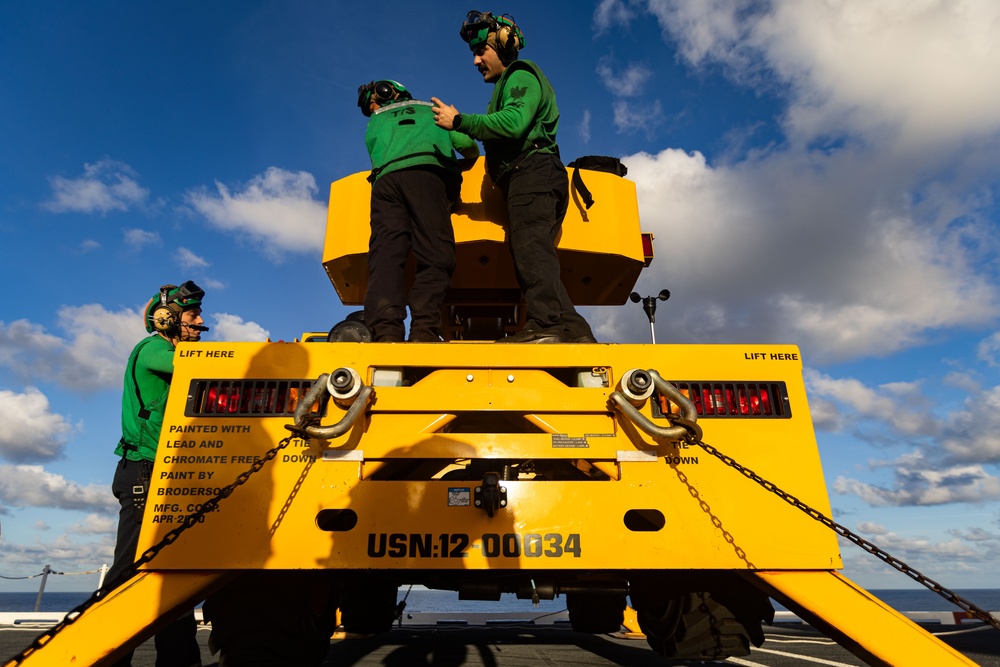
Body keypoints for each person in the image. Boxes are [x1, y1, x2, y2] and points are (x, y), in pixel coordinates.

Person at [431, 11, 597, 344]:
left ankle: (546, 325)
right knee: (535, 254)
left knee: (531, 252)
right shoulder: (506, 87)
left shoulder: (522, 75)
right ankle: (574, 332)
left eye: (481, 51)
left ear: (504, 47)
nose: (476, 60)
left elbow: (514, 123)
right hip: (533, 176)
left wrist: (461, 122)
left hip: (532, 173)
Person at [106, 280, 208, 667]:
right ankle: (108, 656)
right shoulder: (154, 349)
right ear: (166, 319)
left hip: (161, 473)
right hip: (142, 472)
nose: (200, 323)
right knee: (129, 570)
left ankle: (180, 661)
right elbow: (203, 365)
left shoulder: (175, 352)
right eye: (193, 316)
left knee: (171, 568)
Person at [359, 79, 480, 342]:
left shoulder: (374, 123)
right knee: (436, 254)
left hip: (385, 184)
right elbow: (470, 149)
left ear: (386, 95)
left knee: (386, 257)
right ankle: (424, 330)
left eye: (373, 103)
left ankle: (385, 332)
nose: (373, 108)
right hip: (428, 178)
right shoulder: (432, 111)